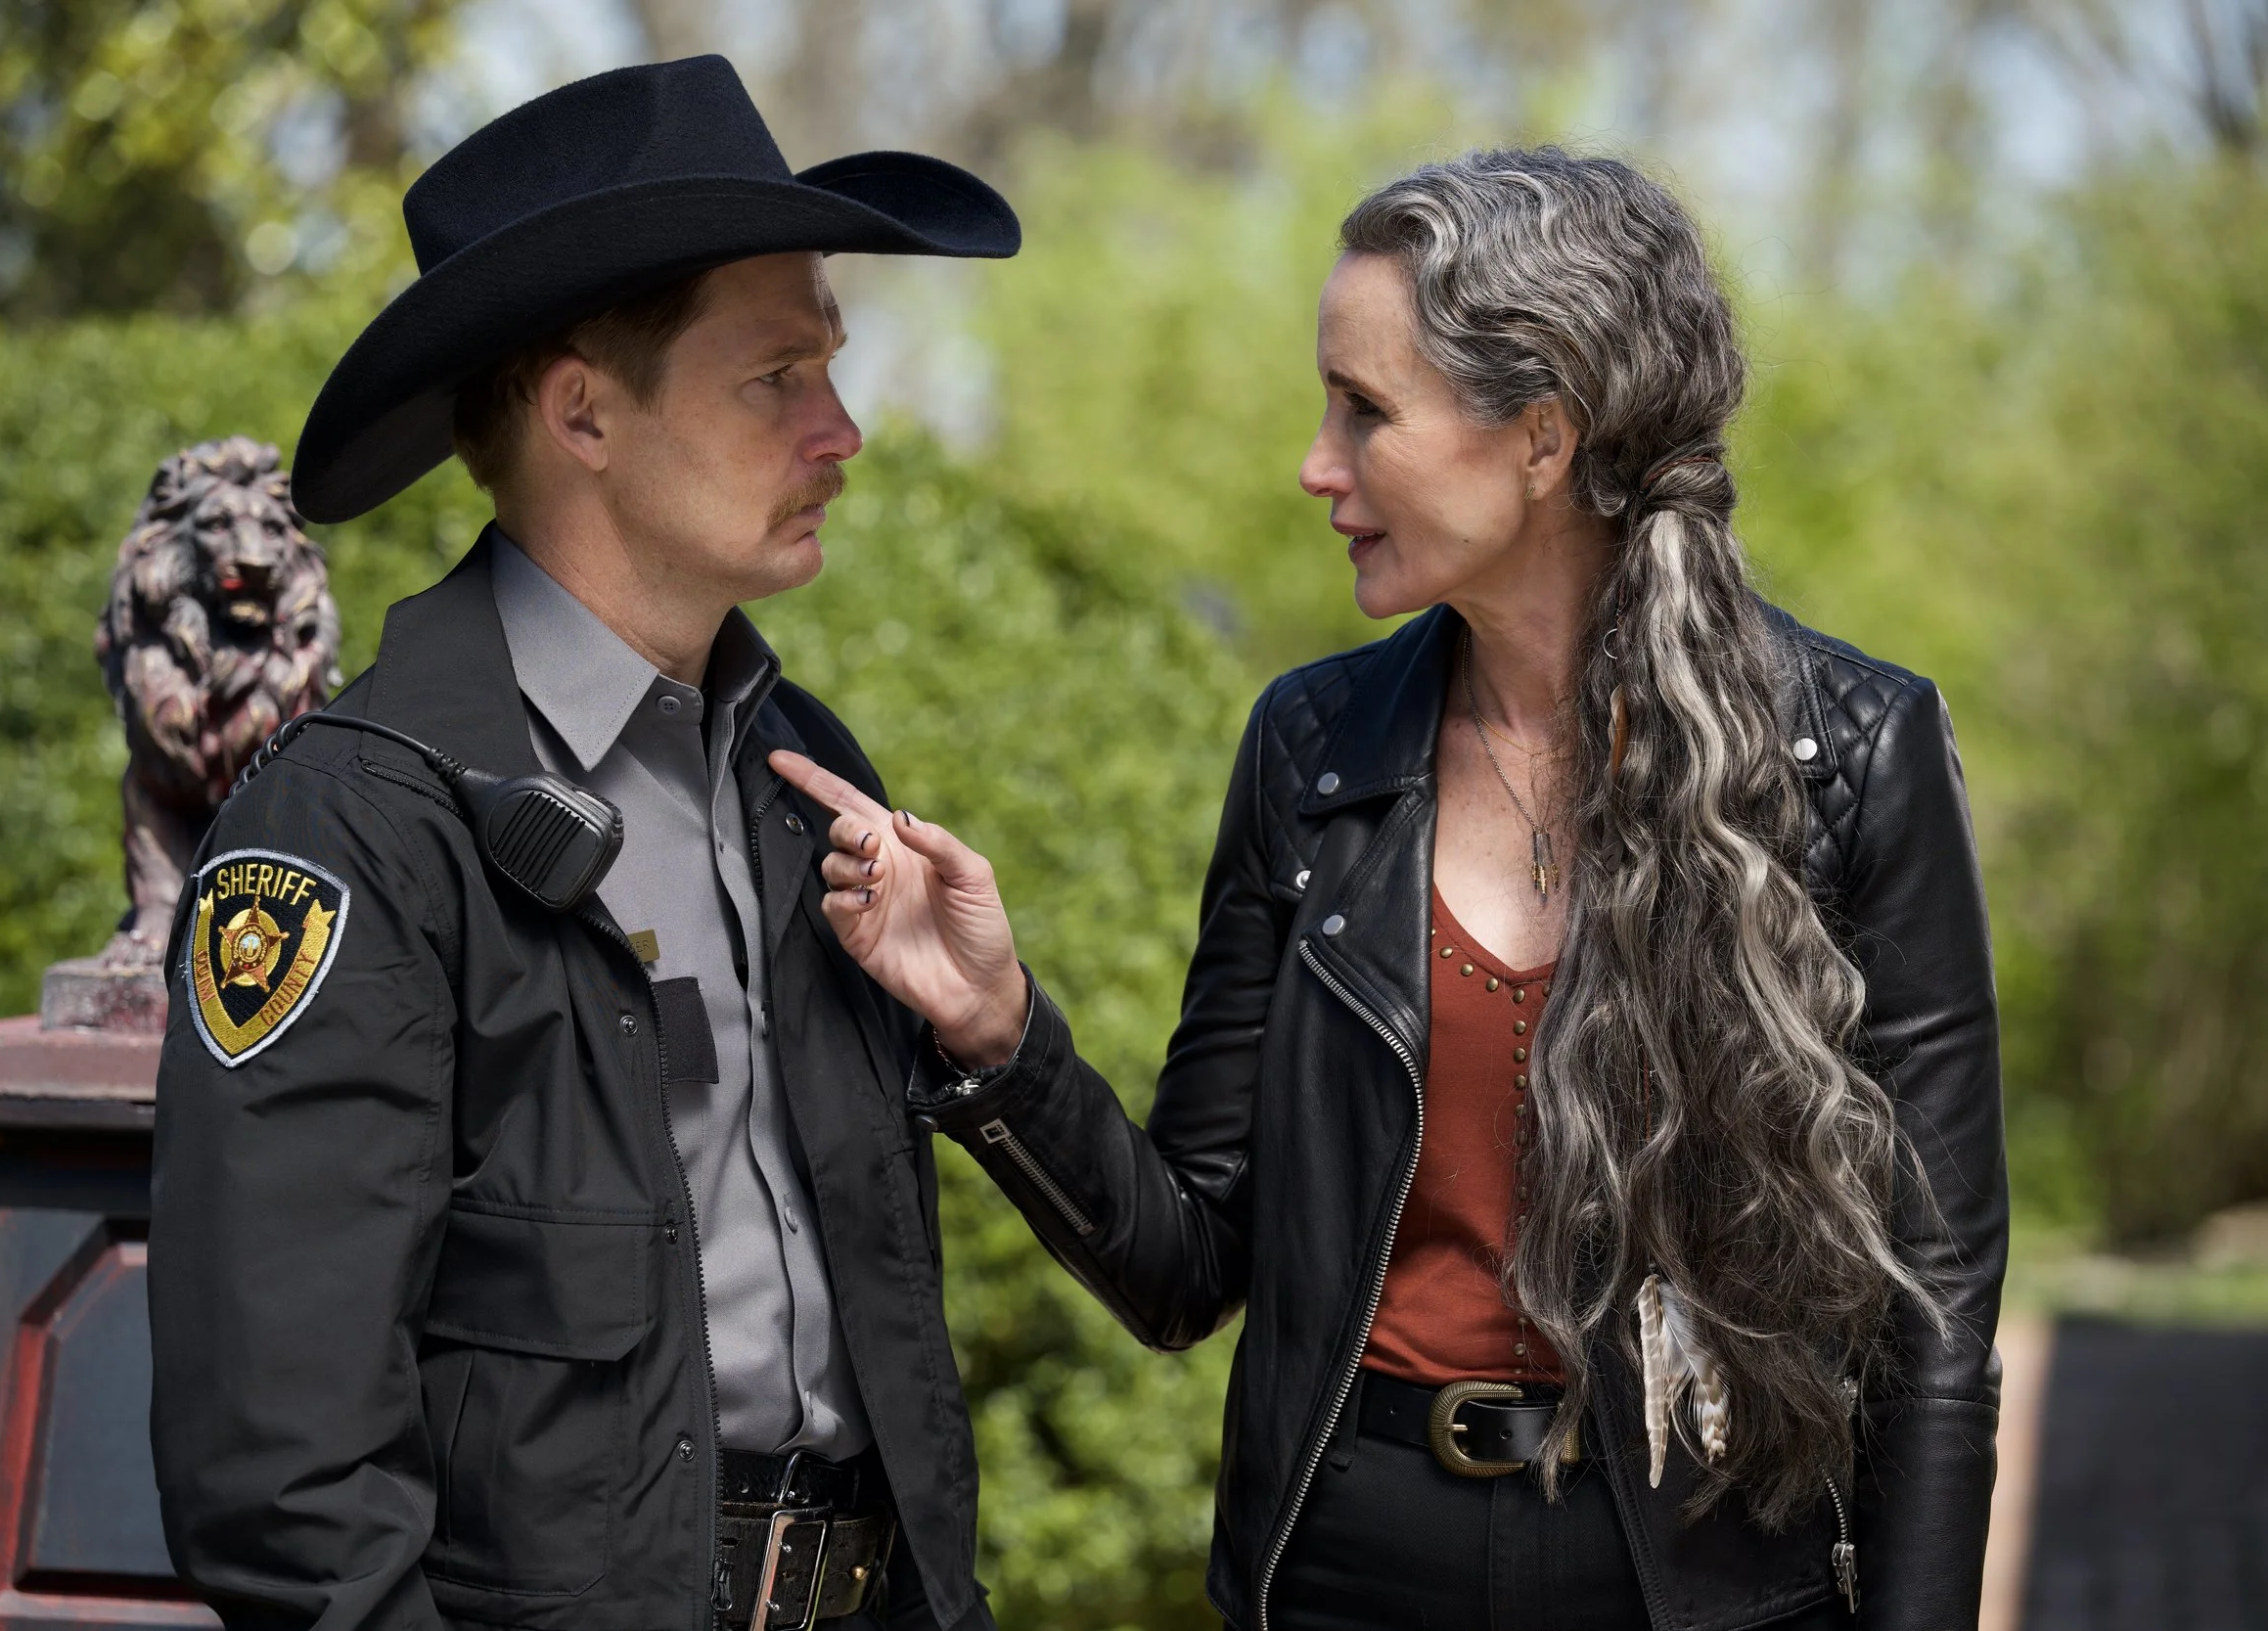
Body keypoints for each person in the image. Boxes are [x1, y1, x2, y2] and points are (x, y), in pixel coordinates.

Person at [772, 148, 2004, 1631]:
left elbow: (1934, 1324)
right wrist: (995, 1028)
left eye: (1367, 409)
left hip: (1706, 1579)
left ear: (1541, 437)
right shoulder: (1312, 749)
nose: (1316, 463)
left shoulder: (1850, 755)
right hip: (1347, 1565)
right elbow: (1185, 1262)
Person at [146, 57, 1019, 1631]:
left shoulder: (799, 769)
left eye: (832, 366)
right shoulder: (351, 828)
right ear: (583, 411)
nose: (846, 429)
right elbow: (285, 1477)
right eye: (777, 379)